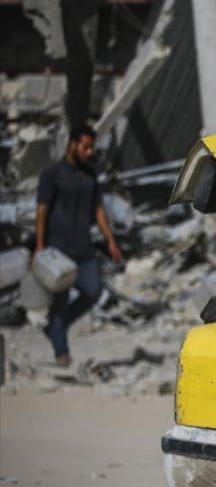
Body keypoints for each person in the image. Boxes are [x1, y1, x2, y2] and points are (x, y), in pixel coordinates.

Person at [34, 124, 123, 367]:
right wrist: (40, 245)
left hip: (84, 248)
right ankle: (61, 351)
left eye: (91, 148)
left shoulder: (90, 175)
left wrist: (111, 241)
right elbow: (41, 210)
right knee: (60, 302)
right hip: (58, 249)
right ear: (72, 144)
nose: (89, 152)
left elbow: (99, 211)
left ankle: (55, 328)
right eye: (85, 147)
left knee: (93, 291)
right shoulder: (52, 174)